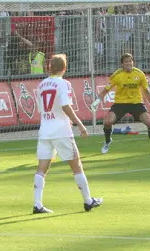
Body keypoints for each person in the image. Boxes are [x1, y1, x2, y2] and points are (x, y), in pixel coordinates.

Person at [33, 54, 102, 214]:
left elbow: (42, 108)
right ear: (65, 68)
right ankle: (88, 201)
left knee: (41, 168)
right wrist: (80, 124)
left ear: (50, 67)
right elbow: (65, 106)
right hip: (61, 131)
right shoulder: (64, 83)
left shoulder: (42, 84)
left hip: (45, 130)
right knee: (77, 166)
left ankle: (37, 204)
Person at [92, 53, 150, 155]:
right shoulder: (116, 75)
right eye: (126, 62)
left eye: (130, 61)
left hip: (137, 103)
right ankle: (108, 141)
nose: (128, 63)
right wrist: (97, 101)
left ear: (133, 62)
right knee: (107, 122)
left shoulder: (140, 74)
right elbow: (105, 90)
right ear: (122, 64)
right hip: (120, 103)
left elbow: (146, 91)